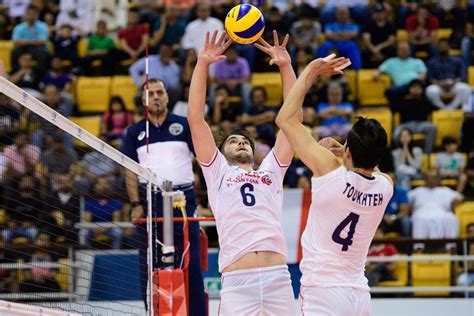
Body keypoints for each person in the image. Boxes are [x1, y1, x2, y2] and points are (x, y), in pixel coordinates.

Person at [187, 30, 298, 315]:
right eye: (234, 141)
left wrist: (286, 67)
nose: (241, 143)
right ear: (222, 152)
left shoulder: (271, 171)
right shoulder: (218, 173)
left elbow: (293, 122)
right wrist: (202, 65)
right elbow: (196, 119)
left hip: (278, 278)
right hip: (238, 282)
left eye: (245, 141)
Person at [275, 54, 393, 315]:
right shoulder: (385, 187)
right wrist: (348, 154)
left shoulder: (330, 171)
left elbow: (285, 120)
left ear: (347, 151)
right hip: (359, 293)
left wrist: (311, 72)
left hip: (323, 289)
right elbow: (377, 170)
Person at [121, 78, 205, 315]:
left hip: (183, 200)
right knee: (149, 261)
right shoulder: (134, 131)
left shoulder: (184, 125)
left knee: (191, 259)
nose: (156, 97)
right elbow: (129, 169)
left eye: (160, 92)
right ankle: (154, 311)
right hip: (150, 201)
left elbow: (203, 157)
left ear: (167, 97)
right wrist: (135, 202)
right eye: (151, 93)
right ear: (143, 100)